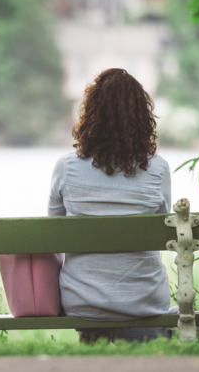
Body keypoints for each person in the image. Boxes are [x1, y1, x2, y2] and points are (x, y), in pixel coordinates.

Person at [48, 68, 174, 343]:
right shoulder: (158, 169)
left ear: (90, 114)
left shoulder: (66, 167)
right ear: (143, 117)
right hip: (143, 301)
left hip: (83, 300)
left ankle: (95, 345)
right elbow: (163, 230)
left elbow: (53, 232)